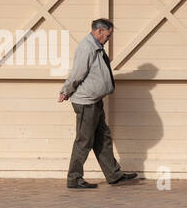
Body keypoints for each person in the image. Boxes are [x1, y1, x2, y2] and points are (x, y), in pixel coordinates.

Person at [57, 18, 138, 189]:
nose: (108, 39)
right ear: (99, 31)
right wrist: (66, 91)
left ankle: (114, 175)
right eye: (107, 35)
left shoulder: (96, 47)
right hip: (86, 102)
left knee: (103, 138)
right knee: (84, 141)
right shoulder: (86, 48)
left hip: (94, 101)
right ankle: (74, 178)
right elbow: (77, 73)